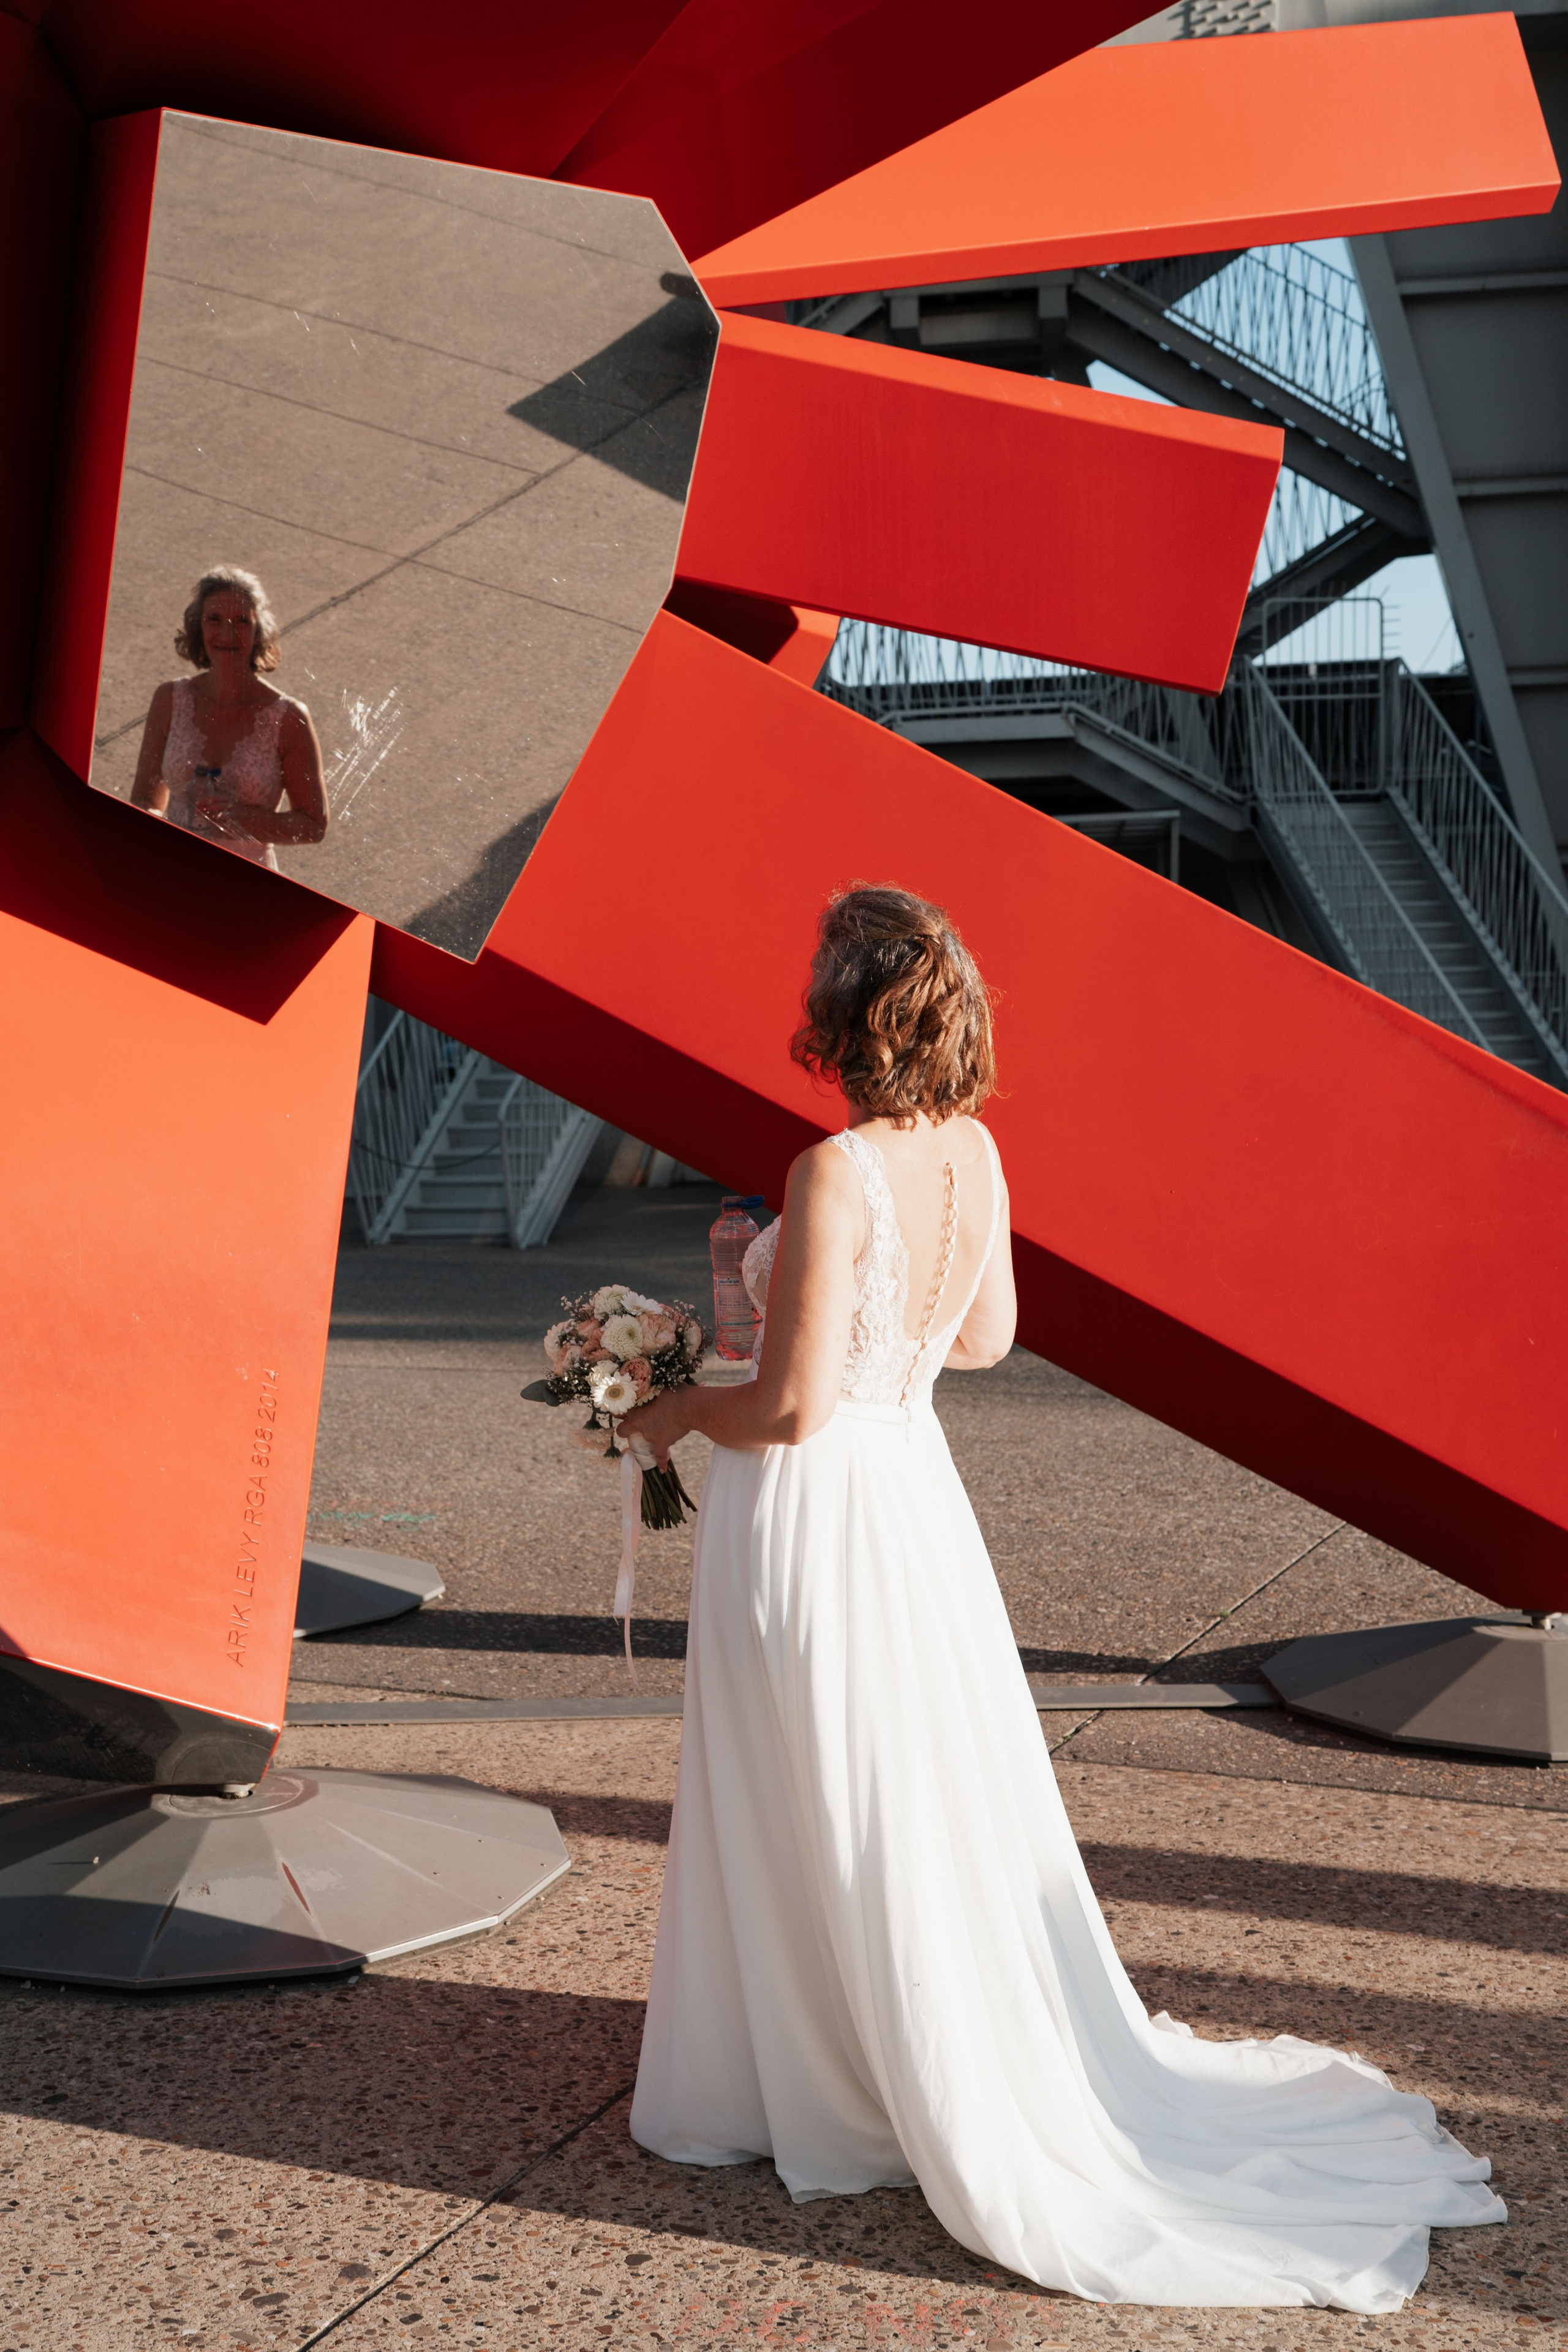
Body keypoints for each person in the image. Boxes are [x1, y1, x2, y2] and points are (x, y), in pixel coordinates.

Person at [620, 884, 1502, 2312]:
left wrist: (666, 1416)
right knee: (907, 1786)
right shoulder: (974, 1152)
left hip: (814, 1507)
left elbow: (780, 1409)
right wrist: (866, 1351)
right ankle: (897, 2049)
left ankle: (825, 2080)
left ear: (844, 1016)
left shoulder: (829, 1168)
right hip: (910, 1495)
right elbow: (985, 1336)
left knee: (810, 1784)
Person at [129, 566, 327, 869]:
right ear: (198, 626)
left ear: (260, 630)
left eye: (242, 621)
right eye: (215, 620)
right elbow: (144, 800)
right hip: (171, 872)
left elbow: (313, 826)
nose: (227, 634)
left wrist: (244, 818)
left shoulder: (288, 717)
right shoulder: (170, 699)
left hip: (248, 887)